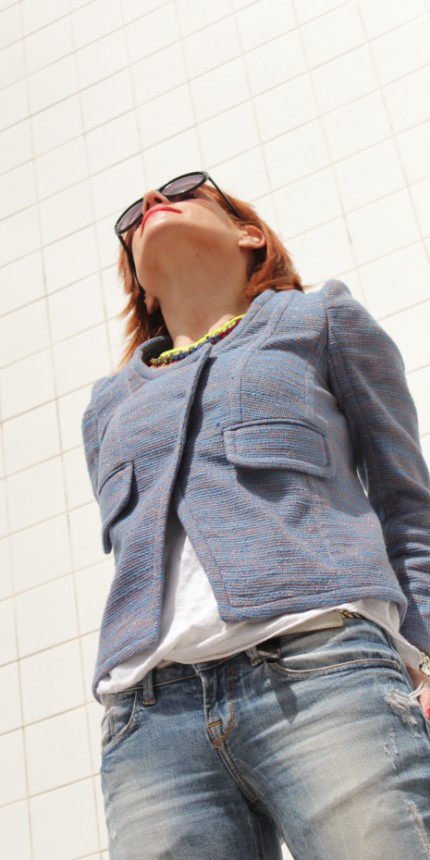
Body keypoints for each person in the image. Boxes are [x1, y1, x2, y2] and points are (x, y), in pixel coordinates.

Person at [82, 171, 430, 860]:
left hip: (323, 669)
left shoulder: (321, 319)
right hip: (149, 720)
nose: (152, 203)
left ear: (249, 234)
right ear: (142, 288)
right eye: (134, 217)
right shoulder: (108, 406)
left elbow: (406, 502)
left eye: (184, 190)